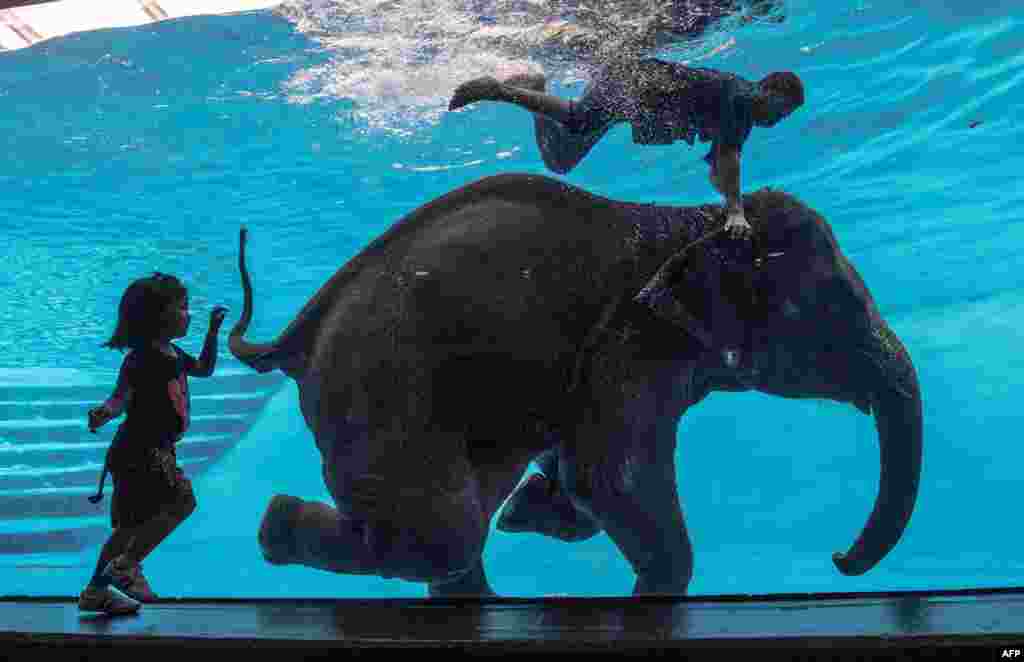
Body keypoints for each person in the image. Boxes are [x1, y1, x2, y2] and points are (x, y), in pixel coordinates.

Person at [449, 60, 803, 369]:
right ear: (768, 89)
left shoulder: (738, 105)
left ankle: (533, 88)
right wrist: (736, 211)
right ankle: (496, 90)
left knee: (560, 159)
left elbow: (719, 167)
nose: (777, 120)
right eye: (781, 110)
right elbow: (728, 159)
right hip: (631, 81)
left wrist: (730, 205)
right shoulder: (742, 100)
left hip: (631, 94)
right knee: (578, 119)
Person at [77, 272, 227, 614]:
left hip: (155, 449)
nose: (189, 313)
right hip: (140, 450)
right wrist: (104, 412)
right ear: (159, 314)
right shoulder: (141, 357)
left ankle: (97, 588)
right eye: (183, 307)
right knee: (180, 503)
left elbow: (204, 368)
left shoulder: (172, 352)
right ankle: (125, 566)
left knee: (129, 525)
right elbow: (120, 398)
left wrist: (213, 333)